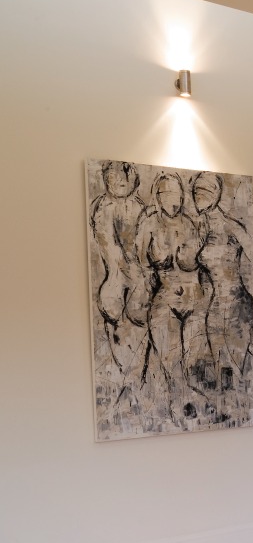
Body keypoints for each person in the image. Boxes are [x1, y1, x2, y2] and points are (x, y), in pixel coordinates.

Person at [135, 171, 209, 423]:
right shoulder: (148, 225)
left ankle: (184, 410)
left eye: (176, 192)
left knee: (191, 364)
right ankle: (181, 410)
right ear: (156, 195)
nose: (172, 199)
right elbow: (142, 267)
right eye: (165, 193)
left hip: (195, 303)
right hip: (165, 301)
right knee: (172, 367)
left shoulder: (194, 223)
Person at [190, 171, 253, 401]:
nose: (200, 195)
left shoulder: (231, 227)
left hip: (237, 305)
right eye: (196, 191)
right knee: (222, 374)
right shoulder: (201, 230)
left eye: (205, 190)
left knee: (236, 372)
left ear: (216, 194)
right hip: (216, 308)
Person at [88, 160, 148, 394]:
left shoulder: (137, 206)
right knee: (123, 335)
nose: (120, 182)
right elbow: (114, 252)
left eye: (124, 177)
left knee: (136, 339)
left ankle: (134, 385)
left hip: (127, 288)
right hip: (120, 287)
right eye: (113, 177)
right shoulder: (104, 207)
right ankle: (130, 385)